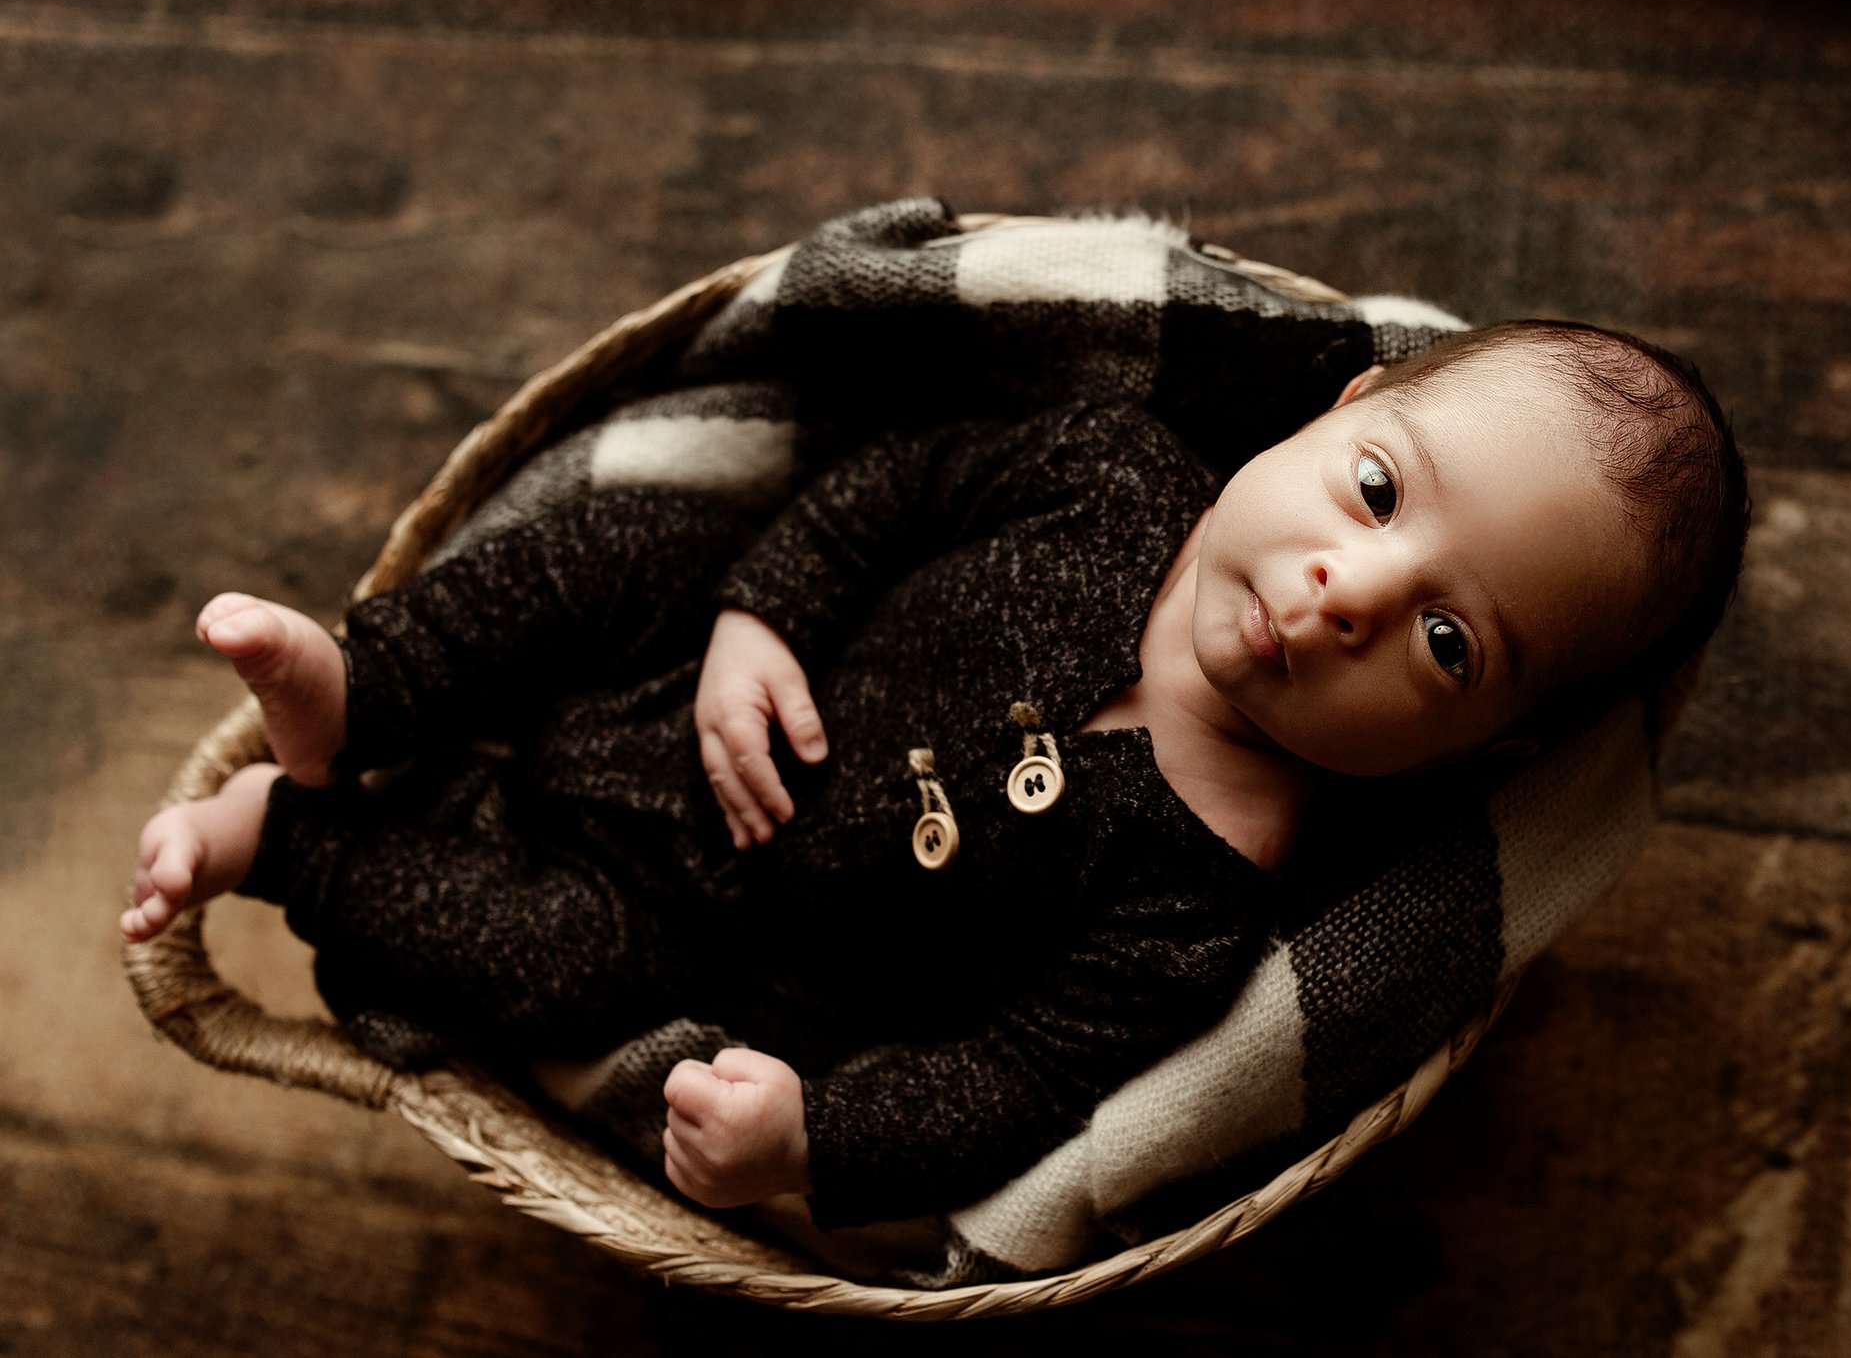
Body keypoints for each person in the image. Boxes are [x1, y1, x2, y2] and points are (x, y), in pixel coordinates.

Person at [121, 320, 1747, 1227]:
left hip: (691, 907)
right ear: (1339, 407)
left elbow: (1019, 1083)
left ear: (1491, 746)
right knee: (608, 546)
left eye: (1449, 644)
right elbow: (897, 482)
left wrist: (814, 1137)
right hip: (695, 644)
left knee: (552, 965)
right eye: (1378, 488)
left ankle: (285, 833)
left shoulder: (1201, 904)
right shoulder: (1116, 475)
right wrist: (767, 611)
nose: (1346, 590)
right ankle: (368, 685)